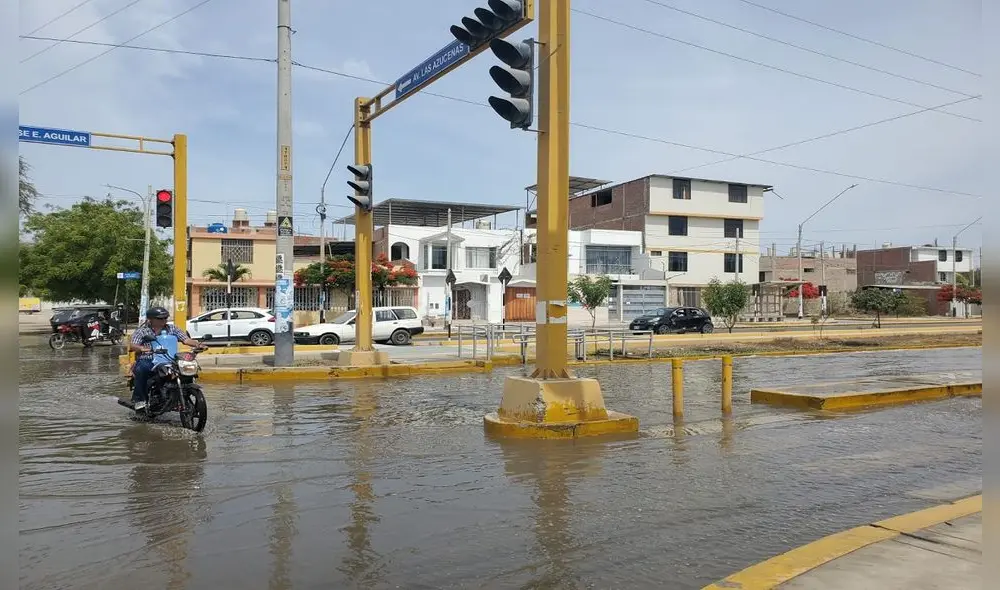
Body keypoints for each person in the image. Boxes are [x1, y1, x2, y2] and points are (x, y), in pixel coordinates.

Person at [128, 307, 202, 411]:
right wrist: (141, 348)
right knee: (142, 369)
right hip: (150, 359)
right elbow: (132, 345)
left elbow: (186, 340)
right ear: (151, 319)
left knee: (186, 371)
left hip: (170, 359)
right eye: (160, 318)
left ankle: (182, 395)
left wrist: (198, 344)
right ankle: (140, 400)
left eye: (165, 318)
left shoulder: (172, 329)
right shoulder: (142, 331)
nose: (164, 320)